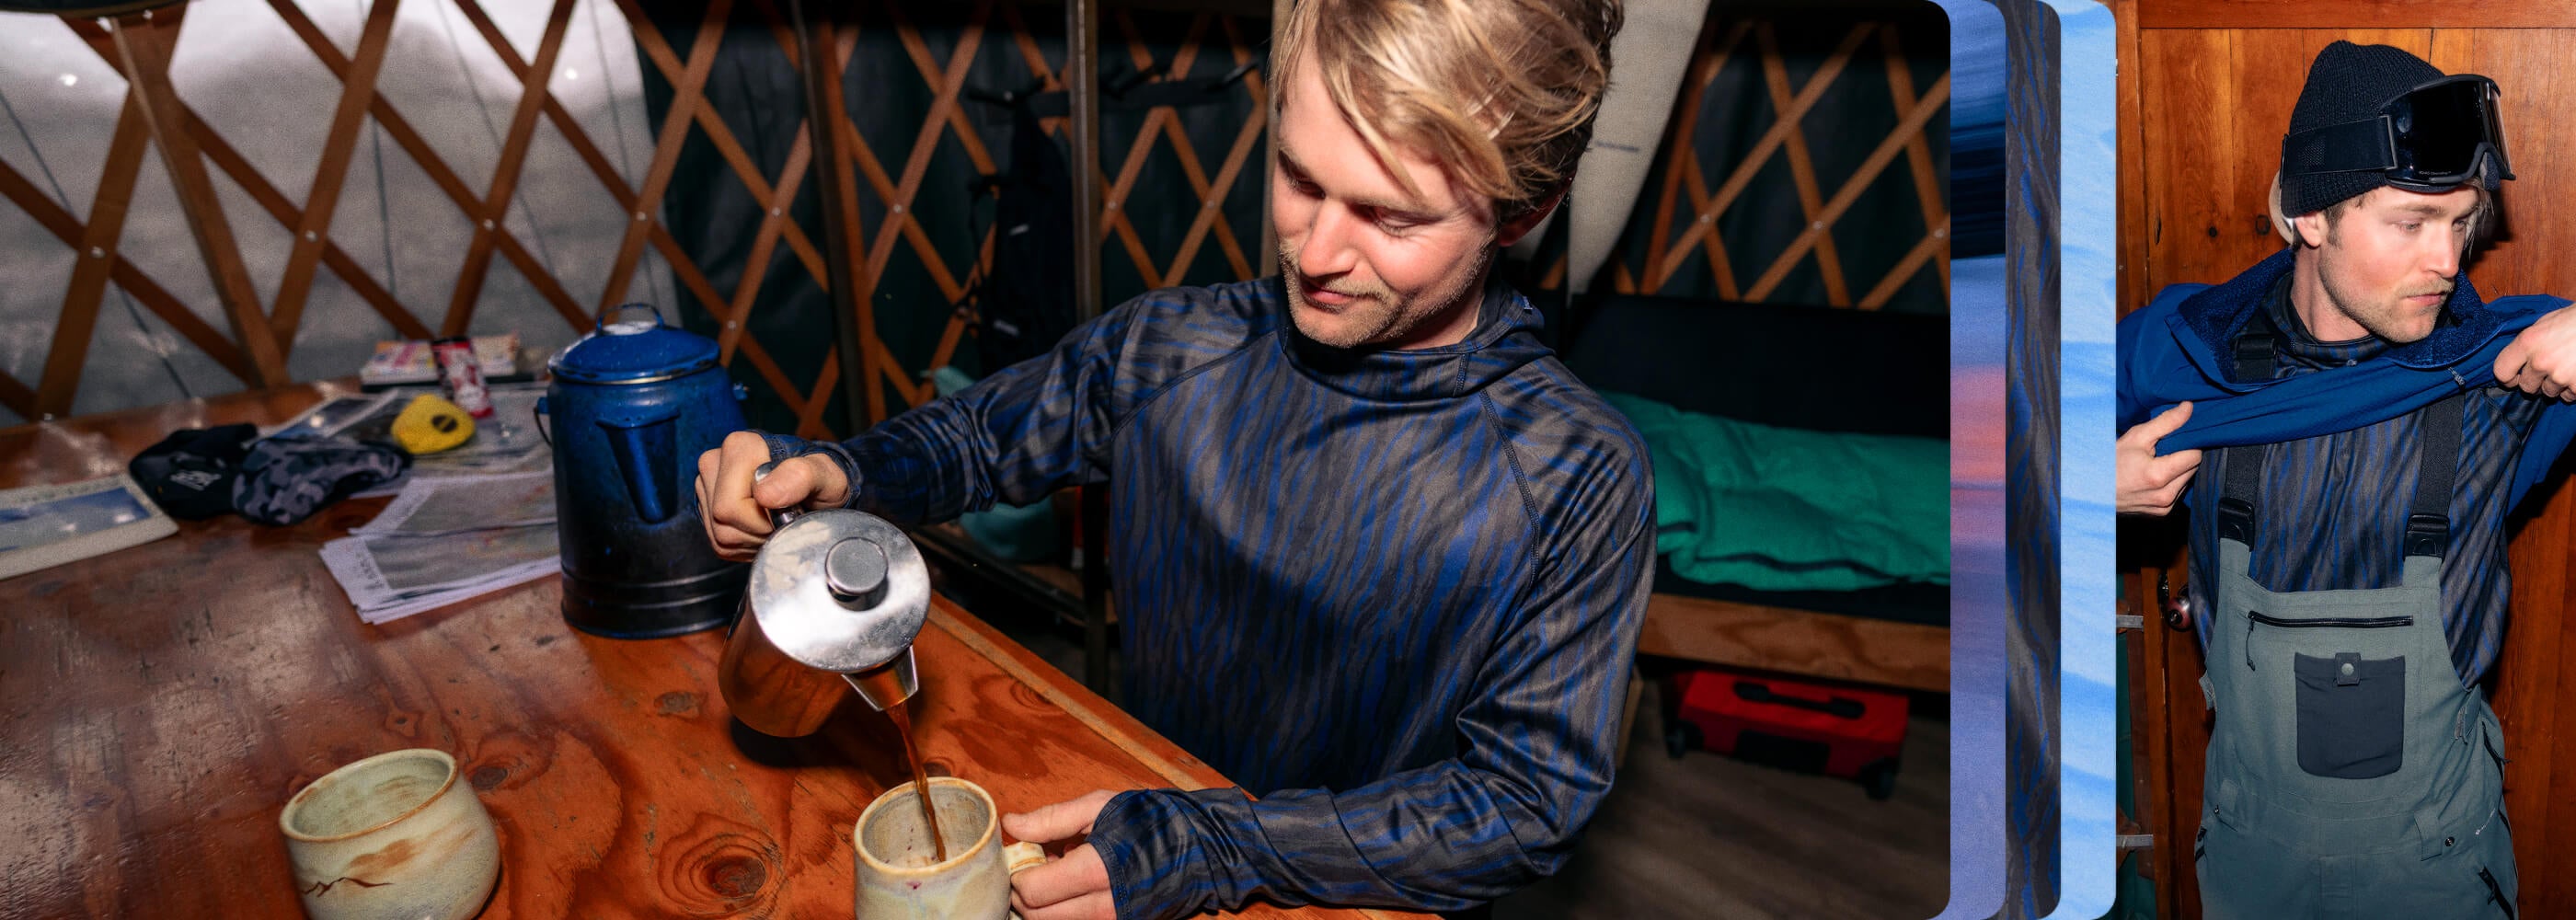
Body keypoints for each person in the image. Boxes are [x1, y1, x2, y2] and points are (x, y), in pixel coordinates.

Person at [696, 1, 1647, 918]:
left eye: (1389, 219)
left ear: (1522, 212)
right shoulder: (1175, 348)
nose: (1316, 252)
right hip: (1122, 850)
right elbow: (980, 438)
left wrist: (1216, 844)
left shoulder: (1575, 478)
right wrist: (839, 471)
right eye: (1298, 178)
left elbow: (1524, 804)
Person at [2116, 40, 2576, 918]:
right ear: (2309, 216)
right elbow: (1984, 441)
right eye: (2409, 223)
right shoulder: (2185, 355)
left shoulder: (2505, 371)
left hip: (2437, 867)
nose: (2447, 261)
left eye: (2461, 223)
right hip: (2252, 862)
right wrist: (2079, 480)